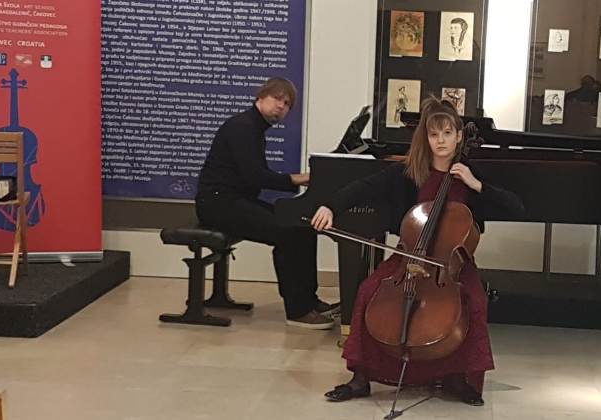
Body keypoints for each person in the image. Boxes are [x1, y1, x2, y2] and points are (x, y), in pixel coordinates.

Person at [310, 96, 524, 405]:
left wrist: (477, 185)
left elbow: (516, 207)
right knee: (368, 291)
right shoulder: (410, 171)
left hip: (453, 264)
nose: (441, 140)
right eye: (434, 134)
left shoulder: (470, 173)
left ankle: (457, 376)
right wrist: (330, 206)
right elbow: (364, 187)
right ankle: (360, 378)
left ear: (459, 136)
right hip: (409, 256)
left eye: (447, 133)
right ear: (426, 138)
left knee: (475, 302)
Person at [195, 77, 338, 330]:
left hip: (234, 201)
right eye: (277, 99)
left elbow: (254, 176)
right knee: (287, 233)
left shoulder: (254, 128)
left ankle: (310, 300)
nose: (281, 107)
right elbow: (255, 176)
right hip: (218, 205)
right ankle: (297, 310)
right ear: (260, 97)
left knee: (301, 226)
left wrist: (297, 180)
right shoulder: (242, 127)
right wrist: (299, 179)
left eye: (287, 104)